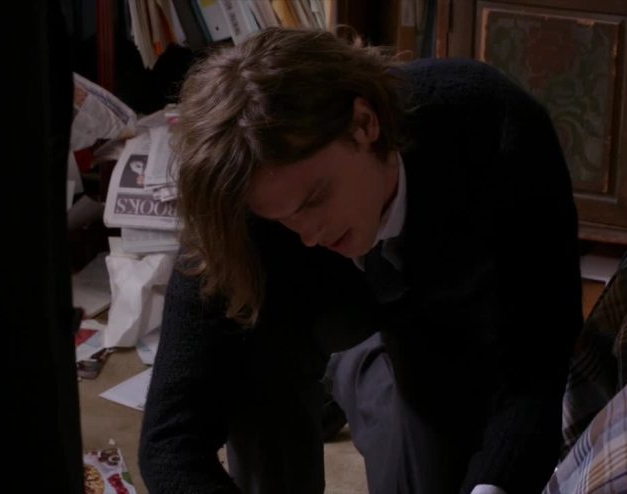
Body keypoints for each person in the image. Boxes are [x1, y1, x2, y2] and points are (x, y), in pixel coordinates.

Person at [139, 27, 583, 494]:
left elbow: (539, 363)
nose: (308, 235)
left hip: (449, 315)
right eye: (281, 219)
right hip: (293, 332)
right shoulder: (240, 209)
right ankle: (337, 362)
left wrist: (493, 487)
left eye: (315, 198)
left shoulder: (496, 130)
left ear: (365, 124)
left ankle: (358, 367)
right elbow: (171, 439)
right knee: (255, 377)